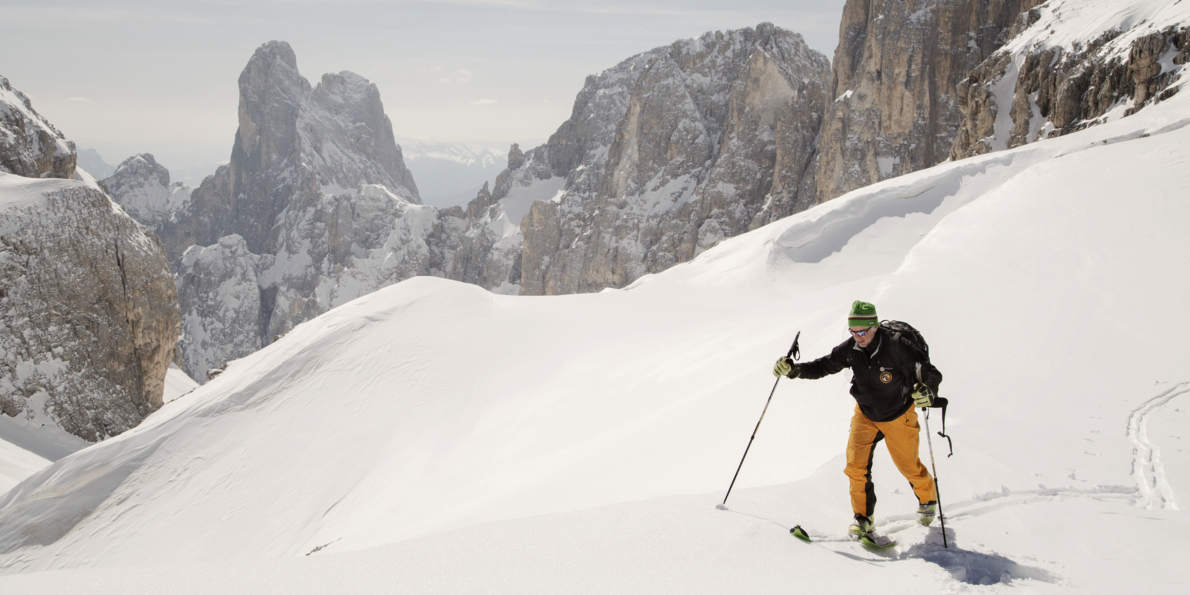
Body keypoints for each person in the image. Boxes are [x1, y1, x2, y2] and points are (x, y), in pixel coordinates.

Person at [773, 300, 942, 539]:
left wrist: (929, 390)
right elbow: (824, 365)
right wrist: (794, 370)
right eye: (853, 332)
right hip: (865, 415)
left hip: (899, 415)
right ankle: (863, 519)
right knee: (855, 466)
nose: (858, 337)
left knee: (908, 466)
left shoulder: (897, 345)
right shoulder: (852, 348)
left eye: (862, 332)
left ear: (874, 327)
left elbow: (930, 372)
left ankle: (927, 499)